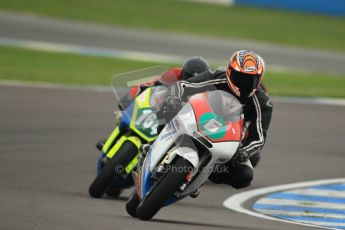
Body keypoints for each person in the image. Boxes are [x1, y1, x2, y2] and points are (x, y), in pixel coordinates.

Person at [162, 50, 273, 189]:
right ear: (230, 71)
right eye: (240, 77)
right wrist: (173, 99)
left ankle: (209, 173)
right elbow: (182, 85)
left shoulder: (263, 102)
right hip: (199, 117)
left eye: (250, 79)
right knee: (166, 109)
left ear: (259, 78)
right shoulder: (216, 76)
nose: (244, 82)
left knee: (245, 176)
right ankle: (155, 142)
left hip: (229, 138)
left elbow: (259, 138)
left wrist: (244, 152)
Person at [117, 56, 209, 110]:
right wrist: (130, 97)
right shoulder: (173, 74)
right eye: (188, 77)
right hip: (158, 109)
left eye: (196, 80)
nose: (190, 82)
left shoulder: (205, 90)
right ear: (183, 72)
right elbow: (146, 84)